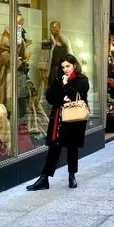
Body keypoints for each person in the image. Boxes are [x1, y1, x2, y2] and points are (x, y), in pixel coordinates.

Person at [27, 54, 90, 191]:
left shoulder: (82, 80)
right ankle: (44, 178)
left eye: (68, 66)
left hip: (74, 119)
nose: (65, 69)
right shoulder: (58, 80)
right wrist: (60, 86)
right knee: (54, 147)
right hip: (59, 119)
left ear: (74, 65)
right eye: (63, 67)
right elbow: (50, 97)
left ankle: (72, 176)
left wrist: (66, 85)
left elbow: (76, 97)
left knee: (72, 148)